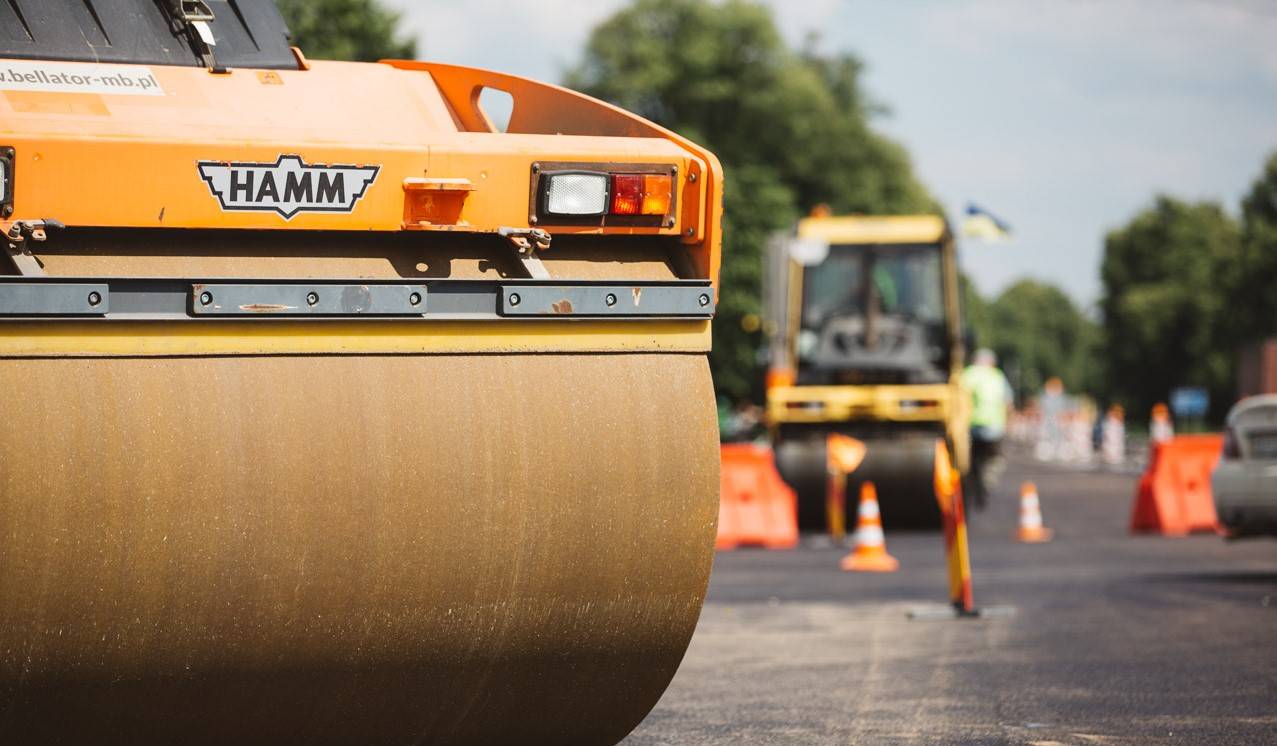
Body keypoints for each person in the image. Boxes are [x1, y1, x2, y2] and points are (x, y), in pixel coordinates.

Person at [961, 348, 1014, 507]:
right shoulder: (997, 376)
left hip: (972, 426)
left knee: (973, 461)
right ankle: (986, 483)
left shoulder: (968, 374)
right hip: (994, 428)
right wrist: (1008, 423)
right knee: (994, 460)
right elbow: (1008, 403)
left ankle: (975, 486)